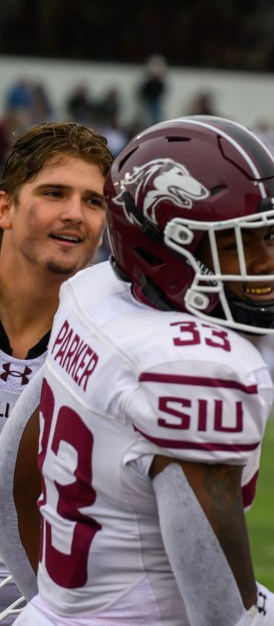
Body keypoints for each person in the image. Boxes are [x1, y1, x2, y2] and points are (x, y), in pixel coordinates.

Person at [0, 115, 274, 625]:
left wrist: (47, 604)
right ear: (169, 244)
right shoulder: (195, 368)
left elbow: (12, 465)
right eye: (238, 242)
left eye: (272, 236)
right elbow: (220, 610)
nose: (270, 262)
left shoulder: (93, 294)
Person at [0, 122, 112, 624]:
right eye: (54, 193)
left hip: (56, 591)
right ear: (5, 208)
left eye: (93, 201)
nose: (75, 214)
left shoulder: (119, 340)